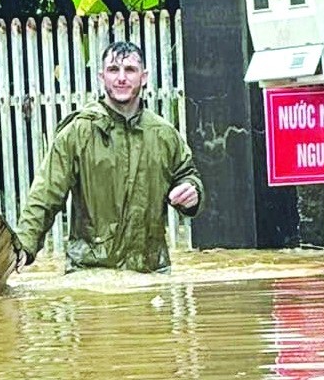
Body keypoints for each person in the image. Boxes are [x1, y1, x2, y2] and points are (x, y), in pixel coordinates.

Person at [13, 41, 203, 273]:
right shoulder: (79, 131)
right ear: (102, 76)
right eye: (114, 70)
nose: (121, 78)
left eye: (130, 70)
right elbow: (45, 194)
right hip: (89, 273)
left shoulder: (164, 134)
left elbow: (187, 176)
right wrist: (23, 246)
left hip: (152, 273)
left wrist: (192, 191)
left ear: (143, 77)